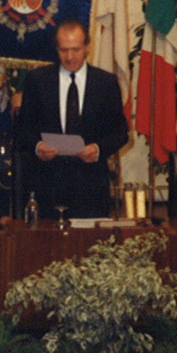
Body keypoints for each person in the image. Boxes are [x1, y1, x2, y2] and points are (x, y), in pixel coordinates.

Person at [14, 19, 129, 219]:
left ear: (87, 48)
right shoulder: (37, 80)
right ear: (56, 48)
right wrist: (38, 147)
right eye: (63, 50)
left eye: (75, 49)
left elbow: (120, 133)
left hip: (91, 186)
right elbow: (22, 130)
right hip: (47, 184)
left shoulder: (106, 83)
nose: (69, 57)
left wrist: (98, 150)